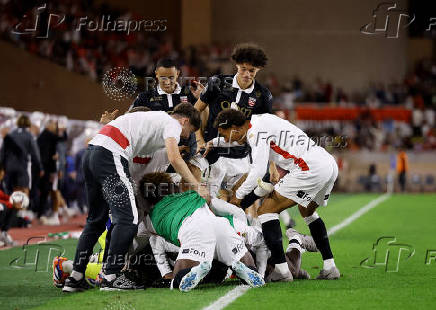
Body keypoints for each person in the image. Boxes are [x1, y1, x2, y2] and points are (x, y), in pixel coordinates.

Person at [63, 103, 210, 292]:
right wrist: (198, 187)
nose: (185, 136)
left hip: (93, 152)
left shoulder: (149, 125)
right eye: (187, 132)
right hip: (110, 154)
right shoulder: (171, 123)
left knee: (96, 221)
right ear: (185, 121)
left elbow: (133, 128)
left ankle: (75, 277)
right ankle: (110, 277)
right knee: (128, 219)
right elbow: (174, 158)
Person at [213, 109, 340, 281]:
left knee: (266, 211)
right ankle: (330, 266)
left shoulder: (254, 133)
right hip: (327, 163)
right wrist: (272, 166)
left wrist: (239, 197)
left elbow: (257, 170)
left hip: (308, 167)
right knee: (307, 212)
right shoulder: (262, 119)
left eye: (225, 134)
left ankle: (281, 271)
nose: (228, 139)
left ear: (234, 128)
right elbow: (274, 145)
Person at [140, 172, 264, 292]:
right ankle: (247, 270)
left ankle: (195, 271)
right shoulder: (192, 195)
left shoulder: (150, 220)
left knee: (178, 278)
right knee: (243, 260)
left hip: (194, 230)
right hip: (220, 224)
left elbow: (136, 235)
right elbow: (227, 208)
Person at [194, 43, 272, 148]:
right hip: (212, 150)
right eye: (243, 69)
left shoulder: (263, 95)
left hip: (242, 155)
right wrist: (199, 140)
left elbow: (264, 130)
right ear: (237, 65)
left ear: (259, 68)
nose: (246, 74)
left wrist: (271, 162)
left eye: (251, 70)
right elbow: (195, 110)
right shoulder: (217, 82)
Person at [0, 115, 41, 196]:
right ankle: (22, 208)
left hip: (9, 167)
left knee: (10, 191)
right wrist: (39, 167)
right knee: (24, 189)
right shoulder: (29, 136)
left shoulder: (10, 135)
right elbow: (35, 154)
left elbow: (2, 153)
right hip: (22, 167)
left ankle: (12, 207)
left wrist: (1, 167)